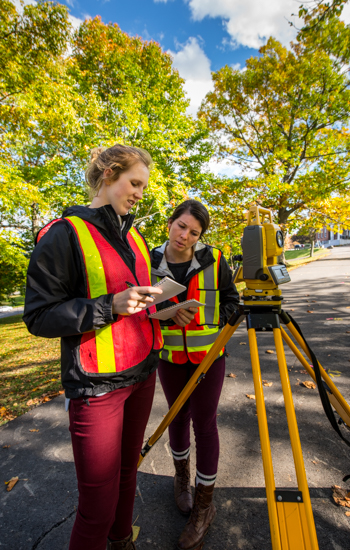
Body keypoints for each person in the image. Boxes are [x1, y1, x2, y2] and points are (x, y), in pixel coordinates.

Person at [23, 144, 164, 550]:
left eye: (143, 187)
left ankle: (122, 542)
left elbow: (136, 303)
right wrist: (109, 307)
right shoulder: (63, 234)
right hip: (96, 387)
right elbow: (39, 316)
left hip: (142, 373)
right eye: (134, 182)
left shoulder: (135, 235)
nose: (139, 193)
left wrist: (162, 310)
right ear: (108, 174)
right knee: (96, 508)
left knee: (127, 475)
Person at [150, 200, 240, 550]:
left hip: (208, 359)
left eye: (194, 232)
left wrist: (212, 321)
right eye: (181, 226)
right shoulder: (147, 259)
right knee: (177, 417)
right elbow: (141, 304)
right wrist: (167, 313)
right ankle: (182, 480)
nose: (185, 236)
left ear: (202, 235)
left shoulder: (215, 260)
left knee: (205, 423)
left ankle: (204, 506)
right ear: (170, 222)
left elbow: (233, 303)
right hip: (170, 357)